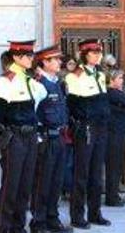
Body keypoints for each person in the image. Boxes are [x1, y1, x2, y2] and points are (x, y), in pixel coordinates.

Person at [0, 40, 47, 233]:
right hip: (15, 137)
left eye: (32, 55)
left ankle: (18, 227)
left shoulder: (28, 78)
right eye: (27, 56)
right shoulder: (6, 80)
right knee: (10, 187)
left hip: (30, 137)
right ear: (16, 57)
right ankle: (4, 229)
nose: (32, 59)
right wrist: (3, 140)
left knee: (25, 186)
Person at [65, 39, 111, 229]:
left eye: (99, 52)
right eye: (93, 52)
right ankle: (77, 216)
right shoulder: (75, 76)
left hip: (100, 127)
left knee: (96, 173)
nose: (97, 55)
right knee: (81, 173)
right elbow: (75, 105)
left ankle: (95, 213)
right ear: (84, 54)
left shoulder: (100, 74)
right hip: (86, 128)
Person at [31, 45, 73, 233]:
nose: (59, 62)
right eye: (55, 59)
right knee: (43, 182)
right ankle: (38, 222)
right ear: (45, 62)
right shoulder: (38, 83)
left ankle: (52, 218)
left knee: (56, 181)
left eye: (59, 59)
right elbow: (32, 112)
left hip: (59, 137)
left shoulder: (57, 82)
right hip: (45, 138)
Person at [105, 69, 125, 207]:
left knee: (116, 165)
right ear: (112, 80)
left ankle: (113, 194)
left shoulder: (118, 93)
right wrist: (123, 106)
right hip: (114, 134)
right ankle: (111, 196)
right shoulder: (111, 93)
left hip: (120, 132)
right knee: (113, 165)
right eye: (120, 78)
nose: (122, 81)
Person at [61, 56, 79, 200]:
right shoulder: (61, 84)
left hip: (74, 128)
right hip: (64, 130)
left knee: (72, 160)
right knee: (67, 162)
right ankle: (68, 189)